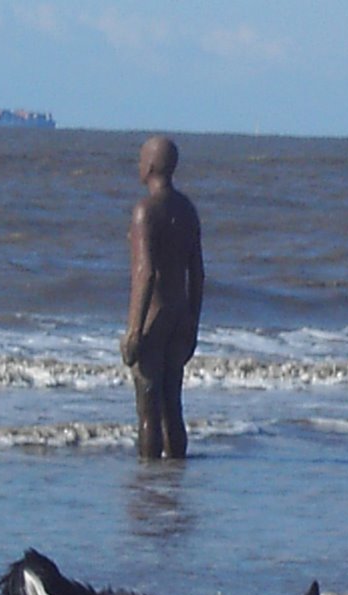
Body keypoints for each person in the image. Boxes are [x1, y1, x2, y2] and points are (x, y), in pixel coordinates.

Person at [121, 136, 204, 459]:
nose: (139, 166)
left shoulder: (146, 211)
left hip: (152, 320)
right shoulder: (187, 210)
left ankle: (150, 479)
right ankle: (174, 477)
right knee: (173, 406)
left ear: (152, 166)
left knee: (148, 409)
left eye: (142, 160)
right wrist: (193, 323)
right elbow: (197, 273)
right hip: (179, 315)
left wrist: (133, 331)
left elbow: (147, 273)